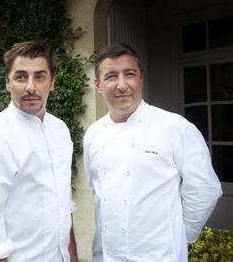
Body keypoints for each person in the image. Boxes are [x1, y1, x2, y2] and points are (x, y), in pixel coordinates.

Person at [84, 43, 223, 262]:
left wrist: (176, 237)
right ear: (98, 85)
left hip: (160, 256)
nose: (122, 85)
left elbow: (204, 190)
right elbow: (98, 192)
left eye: (129, 74)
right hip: (107, 255)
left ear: (141, 80)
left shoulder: (175, 127)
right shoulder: (92, 134)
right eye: (111, 76)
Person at [0, 41, 78, 262]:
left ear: (53, 82)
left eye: (39, 76)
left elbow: (63, 204)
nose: (30, 87)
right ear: (7, 83)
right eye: (21, 77)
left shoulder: (60, 130)